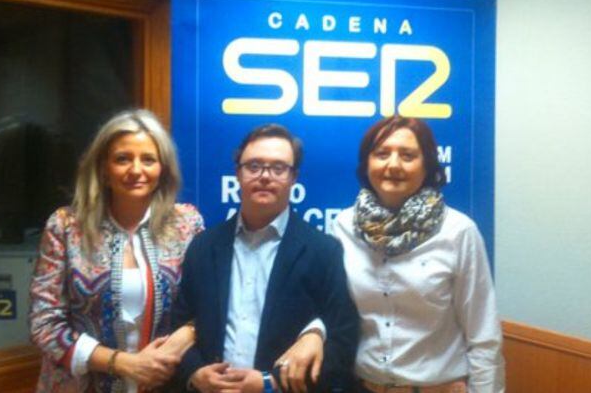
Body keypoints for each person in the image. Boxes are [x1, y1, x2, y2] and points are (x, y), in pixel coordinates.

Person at [276, 115, 505, 393]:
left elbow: (484, 338)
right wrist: (314, 332)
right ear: (367, 163)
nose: (393, 164)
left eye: (408, 155)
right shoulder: (344, 226)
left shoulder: (458, 232)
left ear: (427, 165)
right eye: (382, 154)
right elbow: (333, 307)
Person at [171, 123, 359, 393]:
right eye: (254, 166)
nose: (265, 176)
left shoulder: (324, 251)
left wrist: (270, 384)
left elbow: (342, 342)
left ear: (293, 177)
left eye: (278, 168)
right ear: (238, 172)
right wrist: (195, 374)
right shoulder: (203, 246)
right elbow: (180, 323)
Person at [29, 109, 204, 392]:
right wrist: (124, 364)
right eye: (123, 159)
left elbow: (207, 305)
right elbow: (44, 323)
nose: (136, 170)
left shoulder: (187, 223)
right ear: (103, 169)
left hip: (163, 383)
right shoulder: (65, 226)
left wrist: (177, 344)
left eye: (148, 159)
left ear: (163, 169)